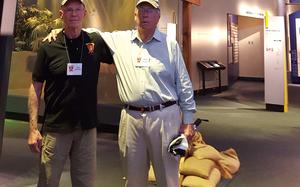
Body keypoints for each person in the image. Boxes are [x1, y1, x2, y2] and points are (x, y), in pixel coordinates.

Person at [45, 0, 196, 186]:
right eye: (141, 10)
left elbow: (184, 84)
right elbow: (90, 33)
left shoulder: (170, 45)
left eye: (150, 10)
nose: (145, 14)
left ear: (158, 16)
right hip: (131, 119)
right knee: (132, 177)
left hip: (164, 117)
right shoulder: (121, 40)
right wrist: (61, 32)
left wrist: (188, 121)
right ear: (135, 15)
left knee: (168, 177)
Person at [27, 0, 113, 186]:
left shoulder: (94, 42)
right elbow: (35, 86)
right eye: (69, 10)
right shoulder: (48, 46)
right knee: (48, 181)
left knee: (85, 183)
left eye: (77, 9)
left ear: (84, 13)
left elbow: (123, 52)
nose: (73, 14)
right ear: (61, 14)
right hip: (56, 129)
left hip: (87, 128)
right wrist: (33, 129)